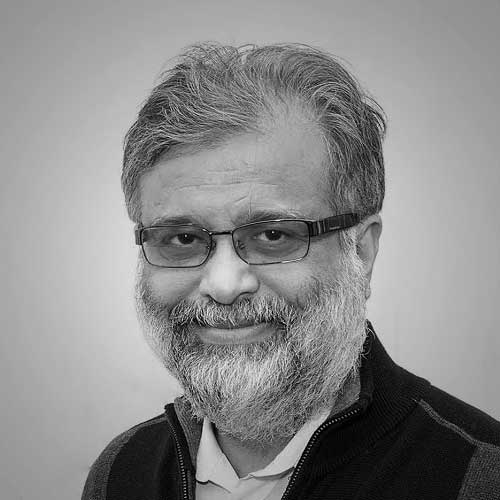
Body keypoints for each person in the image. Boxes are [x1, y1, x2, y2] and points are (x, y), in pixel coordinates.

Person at [82, 43, 500, 500]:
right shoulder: (122, 471)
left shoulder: (479, 477)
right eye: (182, 239)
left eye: (273, 235)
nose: (224, 285)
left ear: (361, 251)